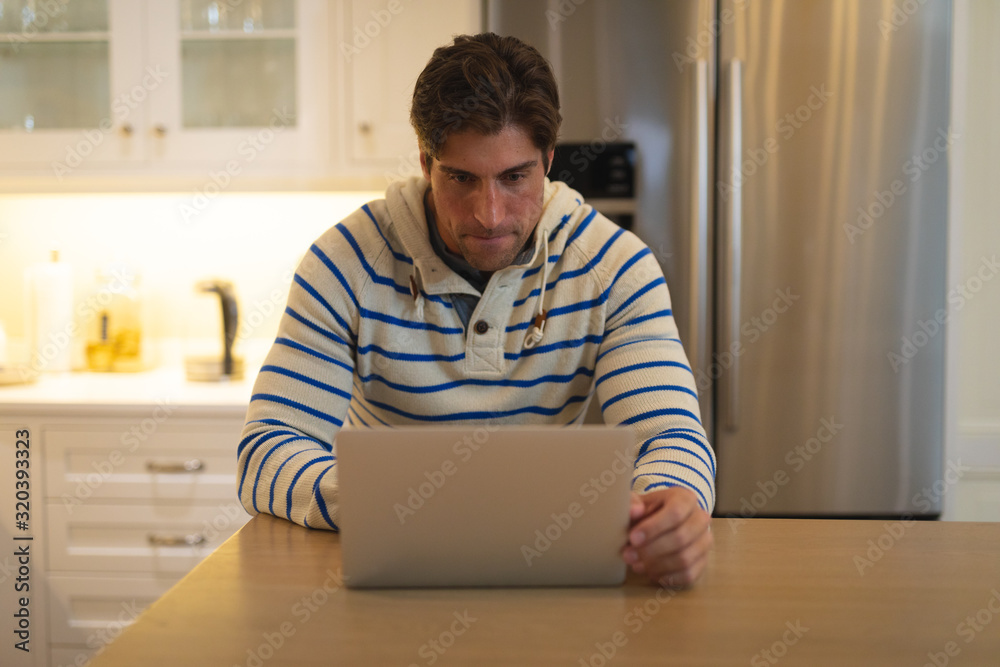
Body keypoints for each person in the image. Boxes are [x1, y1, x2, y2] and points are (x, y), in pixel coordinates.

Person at [238, 33, 715, 588]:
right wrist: (382, 505)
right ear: (425, 163)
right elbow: (267, 450)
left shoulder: (616, 269)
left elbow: (671, 437)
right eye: (461, 178)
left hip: (549, 570)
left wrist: (673, 504)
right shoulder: (343, 264)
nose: (489, 214)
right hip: (387, 575)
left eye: (515, 177)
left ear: (548, 163)